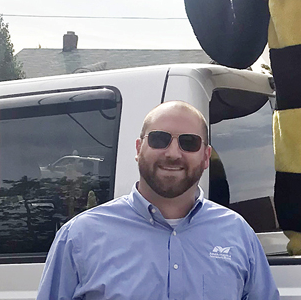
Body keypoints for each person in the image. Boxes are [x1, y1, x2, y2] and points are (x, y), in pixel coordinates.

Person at [37, 101, 279, 299]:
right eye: (159, 139)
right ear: (139, 147)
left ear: (206, 157)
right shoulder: (79, 237)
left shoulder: (238, 234)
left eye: (189, 142)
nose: (173, 153)